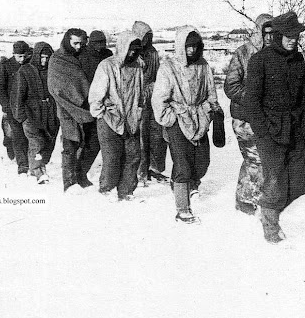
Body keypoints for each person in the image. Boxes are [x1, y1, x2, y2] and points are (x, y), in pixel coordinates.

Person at [245, 11, 305, 243]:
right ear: (278, 35)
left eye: (296, 35)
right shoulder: (260, 60)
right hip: (271, 131)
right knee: (274, 180)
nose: (294, 39)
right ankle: (270, 225)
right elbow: (251, 101)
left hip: (294, 129)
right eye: (289, 35)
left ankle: (270, 210)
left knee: (300, 182)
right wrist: (262, 131)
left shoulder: (298, 59)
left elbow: (304, 96)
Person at [151, 26, 221, 223]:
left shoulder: (203, 66)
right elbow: (159, 99)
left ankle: (187, 184)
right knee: (183, 164)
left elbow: (211, 92)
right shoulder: (168, 67)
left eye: (195, 46)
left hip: (199, 119)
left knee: (201, 163)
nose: (192, 51)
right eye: (188, 47)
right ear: (181, 47)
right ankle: (182, 209)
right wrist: (170, 119)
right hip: (178, 119)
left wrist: (210, 111)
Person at [224, 13, 274, 215]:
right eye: (266, 33)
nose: (270, 37)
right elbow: (231, 86)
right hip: (244, 117)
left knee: (261, 158)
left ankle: (251, 195)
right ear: (259, 32)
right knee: (255, 159)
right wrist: (254, 97)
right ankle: (245, 201)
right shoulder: (243, 53)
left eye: (273, 33)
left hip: (266, 118)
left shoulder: (275, 55)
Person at [89, 31, 145, 201]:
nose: (133, 53)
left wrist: (139, 111)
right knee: (112, 157)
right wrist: (102, 114)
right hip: (109, 119)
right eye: (130, 49)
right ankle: (107, 188)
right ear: (122, 48)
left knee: (133, 156)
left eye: (136, 50)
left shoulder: (137, 67)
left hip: (131, 119)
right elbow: (96, 95)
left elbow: (140, 93)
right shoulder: (106, 66)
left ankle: (126, 190)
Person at [48, 28, 100, 193]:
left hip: (89, 107)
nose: (78, 47)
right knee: (71, 145)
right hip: (68, 109)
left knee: (93, 142)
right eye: (75, 43)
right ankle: (69, 182)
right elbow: (55, 87)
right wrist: (77, 100)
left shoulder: (86, 56)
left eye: (81, 43)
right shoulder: (58, 59)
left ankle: (81, 174)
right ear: (66, 41)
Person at [13, 42, 59, 184]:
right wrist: (22, 117)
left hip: (50, 113)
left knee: (49, 141)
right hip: (31, 114)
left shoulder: (54, 70)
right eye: (42, 57)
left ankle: (40, 164)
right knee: (36, 142)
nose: (44, 61)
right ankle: (38, 171)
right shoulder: (25, 70)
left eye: (47, 57)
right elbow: (18, 95)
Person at [132, 21, 168, 185]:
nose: (147, 40)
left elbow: (157, 74)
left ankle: (155, 169)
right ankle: (140, 171)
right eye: (144, 37)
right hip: (138, 101)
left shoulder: (153, 52)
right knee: (140, 137)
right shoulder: (132, 53)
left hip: (153, 99)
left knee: (157, 135)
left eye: (149, 37)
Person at [0, 41, 31, 174]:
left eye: (24, 56)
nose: (22, 59)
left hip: (27, 107)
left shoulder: (30, 64)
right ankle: (22, 165)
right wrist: (5, 106)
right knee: (17, 136)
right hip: (12, 107)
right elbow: (0, 88)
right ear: (14, 55)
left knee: (27, 135)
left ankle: (28, 159)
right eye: (19, 57)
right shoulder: (6, 66)